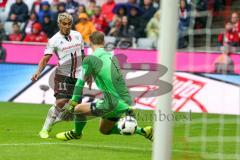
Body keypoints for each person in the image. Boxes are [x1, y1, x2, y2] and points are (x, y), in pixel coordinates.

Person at [56, 31, 153, 141]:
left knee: (78, 109)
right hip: (122, 100)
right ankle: (143, 131)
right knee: (105, 130)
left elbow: (79, 82)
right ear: (104, 41)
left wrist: (73, 102)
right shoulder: (110, 57)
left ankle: (77, 133)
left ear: (89, 42)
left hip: (112, 102)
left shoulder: (91, 59)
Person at [31, 12, 85, 139]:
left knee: (74, 110)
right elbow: (45, 59)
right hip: (63, 75)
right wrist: (38, 72)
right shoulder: (54, 40)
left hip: (79, 76)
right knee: (61, 102)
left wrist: (86, 71)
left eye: (69, 24)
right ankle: (44, 129)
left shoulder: (77, 35)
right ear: (59, 24)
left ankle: (52, 124)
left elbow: (82, 55)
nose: (67, 26)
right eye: (64, 24)